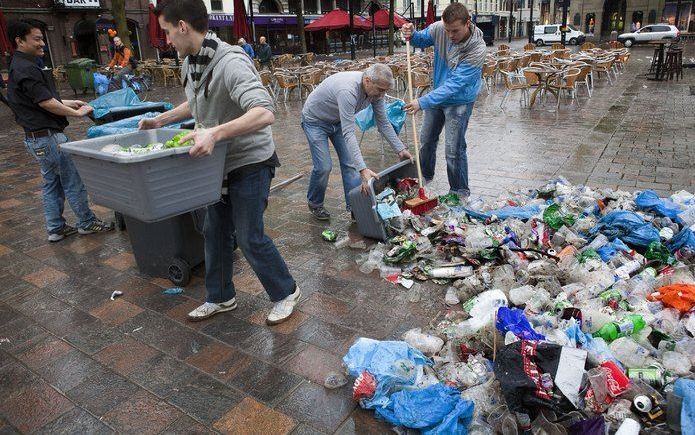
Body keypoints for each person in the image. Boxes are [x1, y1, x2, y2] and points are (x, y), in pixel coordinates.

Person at [141, 0, 300, 325]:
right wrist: (162, 120)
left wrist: (214, 133)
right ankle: (221, 296)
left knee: (249, 235)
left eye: (169, 32)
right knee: (214, 231)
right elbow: (197, 101)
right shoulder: (190, 62)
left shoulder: (231, 61)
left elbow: (264, 111)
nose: (168, 40)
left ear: (183, 27)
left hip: (250, 161)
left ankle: (286, 291)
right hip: (217, 165)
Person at [6, 20, 114, 242]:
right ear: (19, 41)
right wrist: (77, 113)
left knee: (51, 183)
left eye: (42, 38)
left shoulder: (21, 65)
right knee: (72, 180)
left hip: (36, 139)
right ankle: (87, 222)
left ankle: (55, 228)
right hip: (48, 138)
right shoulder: (26, 67)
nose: (42, 43)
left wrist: (69, 101)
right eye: (36, 38)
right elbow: (46, 103)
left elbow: (38, 99)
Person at [302, 64, 412, 221]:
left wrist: (400, 149)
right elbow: (349, 133)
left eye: (385, 91)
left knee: (350, 164)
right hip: (315, 121)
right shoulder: (348, 90)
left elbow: (383, 122)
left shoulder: (376, 93)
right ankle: (315, 203)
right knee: (324, 167)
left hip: (337, 120)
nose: (383, 95)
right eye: (381, 90)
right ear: (367, 81)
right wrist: (363, 169)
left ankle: (355, 207)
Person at [401, 3, 486, 201]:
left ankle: (459, 191)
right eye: (447, 30)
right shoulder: (440, 29)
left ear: (468, 23)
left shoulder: (477, 48)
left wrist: (422, 102)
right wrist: (410, 33)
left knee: (453, 150)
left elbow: (455, 85)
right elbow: (420, 40)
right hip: (437, 94)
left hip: (459, 100)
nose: (450, 35)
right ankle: (424, 178)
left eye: (455, 30)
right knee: (426, 140)